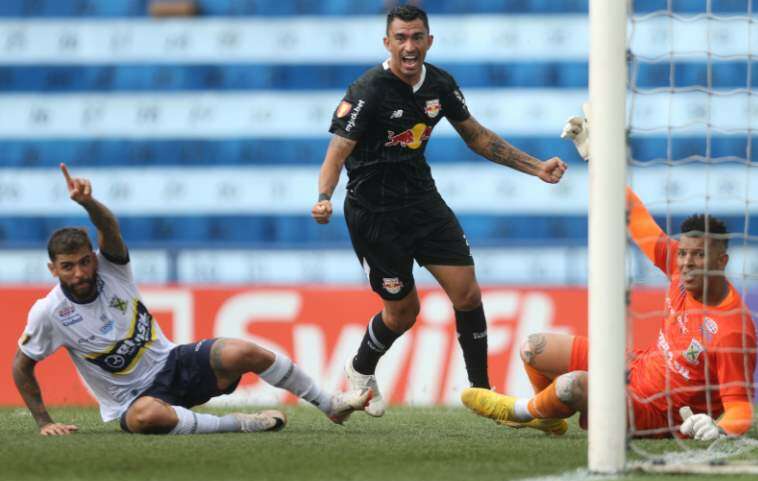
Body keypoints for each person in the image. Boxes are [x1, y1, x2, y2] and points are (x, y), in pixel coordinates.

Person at [311, 5, 568, 417]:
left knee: (467, 292)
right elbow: (336, 152)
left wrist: (537, 167)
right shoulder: (367, 90)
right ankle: (360, 368)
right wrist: (323, 196)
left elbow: (478, 137)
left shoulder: (441, 85)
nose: (409, 47)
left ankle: (483, 392)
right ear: (387, 43)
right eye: (401, 38)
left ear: (429, 41)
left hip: (423, 203)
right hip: (374, 215)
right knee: (403, 313)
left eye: (417, 38)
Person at [12, 164, 371, 436]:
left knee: (241, 351)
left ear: (94, 258)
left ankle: (331, 404)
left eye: (84, 262)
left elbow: (109, 229)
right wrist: (45, 421)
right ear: (53, 269)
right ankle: (237, 424)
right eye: (68, 267)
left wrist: (89, 203)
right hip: (132, 401)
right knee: (147, 417)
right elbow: (22, 365)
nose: (80, 273)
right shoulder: (50, 313)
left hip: (174, 363)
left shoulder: (112, 270)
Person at [462, 113, 757, 440]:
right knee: (534, 347)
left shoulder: (732, 328)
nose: (685, 262)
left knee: (572, 384)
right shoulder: (678, 266)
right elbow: (633, 215)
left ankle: (519, 410)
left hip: (653, 411)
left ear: (723, 260)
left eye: (699, 255)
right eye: (684, 253)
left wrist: (718, 428)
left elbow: (741, 408)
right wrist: (595, 156)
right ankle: (547, 418)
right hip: (635, 367)